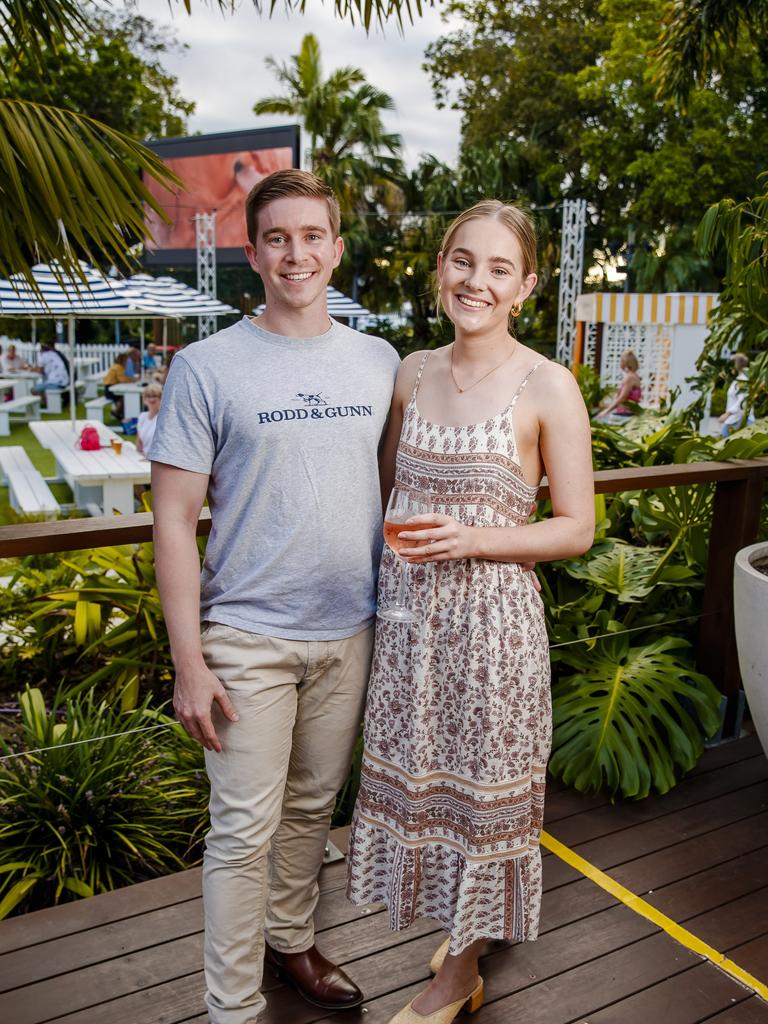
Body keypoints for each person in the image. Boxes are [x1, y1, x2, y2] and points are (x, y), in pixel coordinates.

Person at [150, 168, 401, 1024]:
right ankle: (231, 1007)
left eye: (312, 237)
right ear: (252, 253)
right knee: (241, 833)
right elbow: (174, 522)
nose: (297, 254)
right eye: (278, 239)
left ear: (336, 247)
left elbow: (392, 488)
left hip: (351, 631)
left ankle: (291, 942)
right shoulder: (205, 366)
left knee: (308, 813)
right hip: (247, 638)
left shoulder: (379, 362)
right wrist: (190, 663)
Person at [346, 200, 595, 1024]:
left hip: (494, 635)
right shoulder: (410, 372)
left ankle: (457, 978)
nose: (475, 281)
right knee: (429, 795)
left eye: (497, 268)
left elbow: (576, 528)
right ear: (441, 268)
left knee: (485, 803)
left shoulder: (547, 385)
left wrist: (478, 539)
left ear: (526, 285)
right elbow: (388, 491)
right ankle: (463, 934)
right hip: (412, 629)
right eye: (462, 260)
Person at [595, 349, 642, 419]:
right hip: (631, 413)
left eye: (621, 360)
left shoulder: (630, 378)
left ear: (625, 363)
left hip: (625, 414)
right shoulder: (635, 376)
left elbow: (622, 397)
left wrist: (606, 411)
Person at [719, 352, 754, 436]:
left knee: (723, 439)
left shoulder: (742, 381)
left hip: (738, 419)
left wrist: (727, 414)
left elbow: (742, 401)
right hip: (735, 419)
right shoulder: (737, 380)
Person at [103, 352, 137, 420]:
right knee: (126, 397)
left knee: (126, 396)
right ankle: (117, 412)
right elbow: (123, 380)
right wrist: (133, 381)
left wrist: (131, 379)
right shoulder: (119, 367)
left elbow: (124, 378)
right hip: (110, 390)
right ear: (123, 360)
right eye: (127, 360)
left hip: (109, 388)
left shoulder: (116, 366)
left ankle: (119, 412)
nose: (128, 362)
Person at [136, 382, 162, 457]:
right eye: (148, 396)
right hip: (143, 458)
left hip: (157, 461)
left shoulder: (163, 418)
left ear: (161, 398)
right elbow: (139, 444)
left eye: (154, 396)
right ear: (144, 399)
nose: (151, 399)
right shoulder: (142, 417)